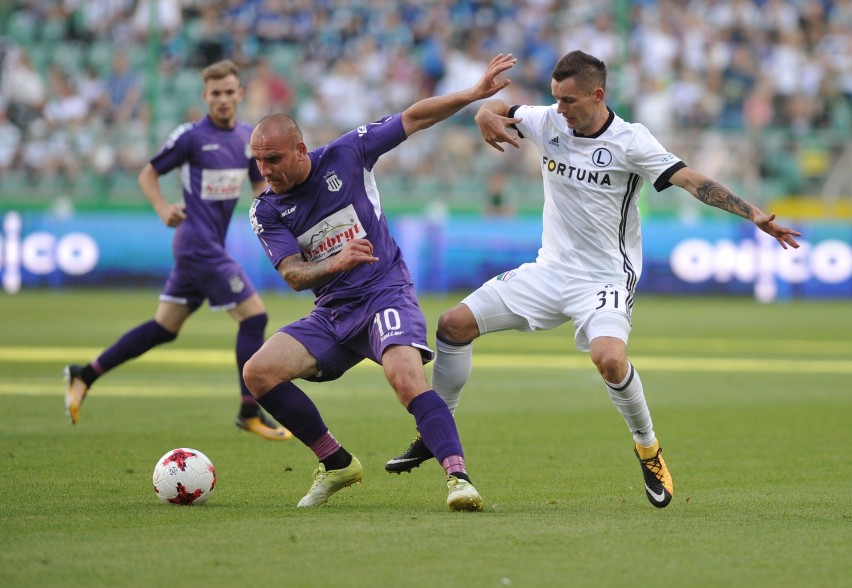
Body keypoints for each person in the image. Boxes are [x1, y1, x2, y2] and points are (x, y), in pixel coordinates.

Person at [384, 50, 802, 509]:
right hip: (549, 271)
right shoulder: (549, 121)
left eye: (569, 101)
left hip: (605, 277)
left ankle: (648, 447)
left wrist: (754, 214)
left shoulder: (631, 141)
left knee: (608, 358)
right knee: (452, 324)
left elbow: (690, 180)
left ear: (597, 95)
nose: (560, 109)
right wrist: (485, 113)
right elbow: (502, 109)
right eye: (555, 99)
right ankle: (434, 432)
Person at [242, 53, 518, 511]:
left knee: (405, 376)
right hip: (333, 311)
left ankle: (458, 479)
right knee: (258, 373)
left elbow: (413, 117)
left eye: (272, 159)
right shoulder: (266, 209)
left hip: (383, 292)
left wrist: (472, 95)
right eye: (258, 162)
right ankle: (336, 463)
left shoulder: (347, 154)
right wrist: (336, 262)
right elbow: (292, 274)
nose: (265, 171)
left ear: (299, 149)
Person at [65, 59, 291, 442]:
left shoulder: (248, 139)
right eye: (215, 93)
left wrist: (283, 213)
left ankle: (84, 373)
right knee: (254, 318)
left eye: (228, 92)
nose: (222, 99)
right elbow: (148, 173)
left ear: (239, 94)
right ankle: (249, 410)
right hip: (196, 245)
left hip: (208, 247)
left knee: (163, 329)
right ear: (205, 96)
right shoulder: (191, 137)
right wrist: (163, 207)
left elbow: (260, 190)